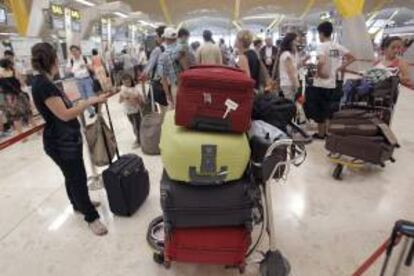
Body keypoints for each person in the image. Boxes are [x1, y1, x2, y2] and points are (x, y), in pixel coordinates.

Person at [31, 42, 108, 235]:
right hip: (60, 141)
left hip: (63, 138)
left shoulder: (45, 82)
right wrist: (87, 103)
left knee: (71, 176)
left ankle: (77, 204)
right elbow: (65, 115)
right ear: (53, 60)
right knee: (78, 177)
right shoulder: (43, 85)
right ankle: (91, 217)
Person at [312, 21, 355, 139]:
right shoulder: (337, 46)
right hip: (332, 84)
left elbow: (321, 61)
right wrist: (339, 68)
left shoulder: (321, 46)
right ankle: (329, 133)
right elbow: (352, 58)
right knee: (329, 109)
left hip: (321, 84)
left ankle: (321, 134)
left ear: (321, 33)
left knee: (320, 110)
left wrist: (319, 73)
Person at [0, 58, 36, 139]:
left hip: (9, 98)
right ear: (9, 64)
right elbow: (22, 83)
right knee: (28, 113)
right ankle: (36, 130)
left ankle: (22, 137)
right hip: (19, 95)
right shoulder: (15, 71)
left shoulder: (1, 74)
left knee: (15, 117)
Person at [141, 25, 169, 111]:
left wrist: (143, 76)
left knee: (164, 108)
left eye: (156, 36)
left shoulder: (158, 50)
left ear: (161, 37)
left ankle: (165, 123)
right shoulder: (174, 48)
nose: (155, 38)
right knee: (172, 106)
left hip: (160, 82)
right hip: (173, 82)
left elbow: (149, 67)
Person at [67, 45, 95, 118]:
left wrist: (86, 66)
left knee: (90, 96)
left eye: (75, 50)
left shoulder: (85, 58)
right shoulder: (71, 60)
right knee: (84, 97)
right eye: (72, 51)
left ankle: (96, 106)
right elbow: (68, 70)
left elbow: (92, 69)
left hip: (87, 79)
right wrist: (72, 70)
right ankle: (91, 112)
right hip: (78, 81)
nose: (74, 52)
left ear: (79, 51)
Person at [119, 73, 145, 148]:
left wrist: (137, 99)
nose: (127, 84)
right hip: (128, 111)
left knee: (137, 125)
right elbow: (120, 101)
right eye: (125, 82)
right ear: (122, 82)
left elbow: (137, 99)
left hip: (135, 111)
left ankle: (139, 139)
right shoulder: (123, 89)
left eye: (128, 82)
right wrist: (125, 97)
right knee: (134, 125)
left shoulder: (134, 89)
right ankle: (139, 139)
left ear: (131, 81)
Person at [157, 27, 179, 108]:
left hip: (176, 88)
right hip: (191, 86)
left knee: (181, 115)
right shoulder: (187, 49)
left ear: (165, 38)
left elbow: (163, 78)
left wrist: (168, 95)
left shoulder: (163, 56)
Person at [278, 33, 300, 100]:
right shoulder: (287, 55)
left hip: (288, 83)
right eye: (296, 41)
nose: (297, 43)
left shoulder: (289, 54)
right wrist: (296, 84)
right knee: (290, 104)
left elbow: (295, 67)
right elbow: (290, 72)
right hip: (288, 83)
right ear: (291, 42)